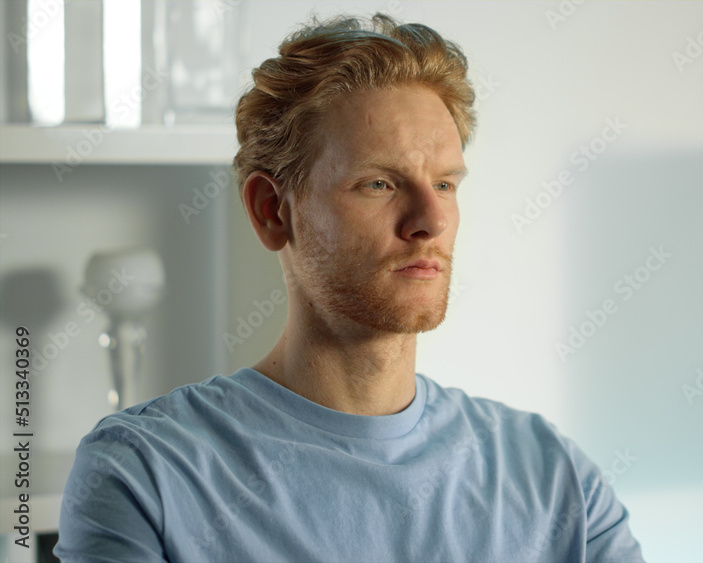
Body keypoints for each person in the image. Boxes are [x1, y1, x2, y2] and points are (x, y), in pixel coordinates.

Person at [55, 13, 644, 562]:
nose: (431, 221)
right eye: (379, 183)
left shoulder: (554, 479)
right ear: (271, 211)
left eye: (444, 184)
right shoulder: (146, 474)